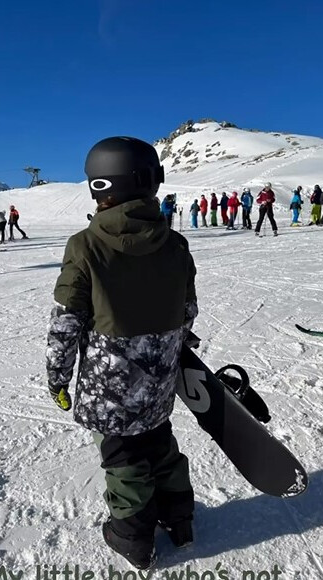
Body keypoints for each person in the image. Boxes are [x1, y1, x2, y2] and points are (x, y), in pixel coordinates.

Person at [45, 136, 198, 570]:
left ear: (99, 186)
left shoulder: (86, 245)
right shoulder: (175, 244)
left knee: (124, 457)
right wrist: (169, 350)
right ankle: (179, 519)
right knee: (160, 444)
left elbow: (67, 322)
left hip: (109, 387)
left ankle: (132, 538)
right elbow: (188, 312)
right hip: (159, 377)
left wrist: (58, 376)